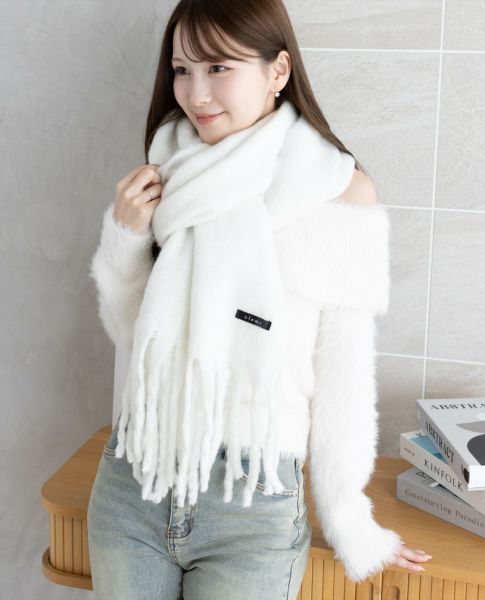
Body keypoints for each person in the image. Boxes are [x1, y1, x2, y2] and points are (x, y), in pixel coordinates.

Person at [87, 1, 432, 598]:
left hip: (252, 502)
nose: (195, 93)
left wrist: (349, 518)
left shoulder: (338, 193)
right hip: (136, 477)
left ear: (278, 70)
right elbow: (132, 337)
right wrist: (125, 239)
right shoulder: (165, 175)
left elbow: (344, 373)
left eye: (218, 67)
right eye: (181, 69)